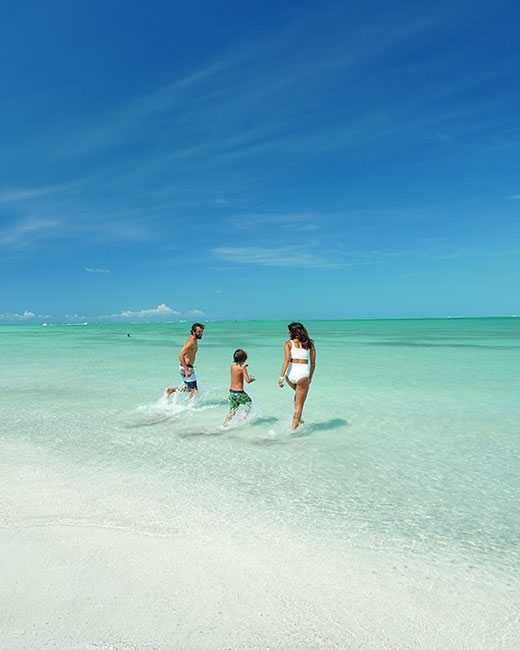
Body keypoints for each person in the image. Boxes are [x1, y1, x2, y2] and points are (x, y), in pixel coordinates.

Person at [278, 322, 316, 430]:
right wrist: (310, 378)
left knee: (298, 396)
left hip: (290, 375)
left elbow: (286, 360)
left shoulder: (288, 343)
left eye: (289, 330)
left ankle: (299, 419)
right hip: (302, 376)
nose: (288, 332)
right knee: (299, 406)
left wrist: (281, 377)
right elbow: (313, 363)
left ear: (293, 332)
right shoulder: (310, 344)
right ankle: (293, 431)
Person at [165, 322, 205, 398]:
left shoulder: (194, 339)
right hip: (186, 367)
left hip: (186, 367)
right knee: (194, 390)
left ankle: (171, 390)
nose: (201, 333)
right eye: (199, 332)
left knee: (190, 389)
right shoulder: (191, 341)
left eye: (202, 332)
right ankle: (190, 407)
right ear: (194, 332)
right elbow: (180, 355)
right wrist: (186, 370)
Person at [224, 349, 255, 425]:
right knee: (249, 403)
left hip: (232, 392)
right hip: (239, 393)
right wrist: (252, 379)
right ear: (243, 360)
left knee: (232, 411)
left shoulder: (232, 366)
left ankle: (224, 425)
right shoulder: (242, 368)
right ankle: (242, 420)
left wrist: (243, 366)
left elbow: (237, 371)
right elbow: (247, 380)